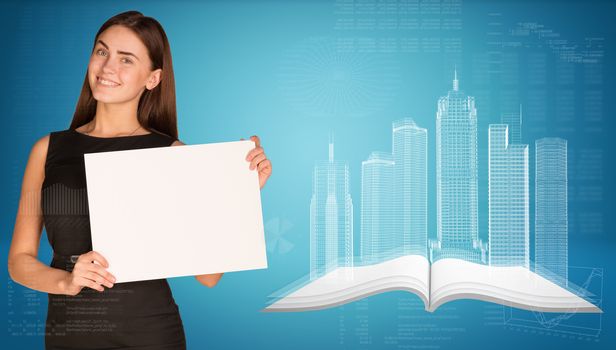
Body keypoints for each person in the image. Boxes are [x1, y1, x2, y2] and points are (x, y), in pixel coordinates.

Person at [7, 10, 272, 350]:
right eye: (102, 51)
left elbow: (208, 277)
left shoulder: (172, 154)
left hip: (150, 334)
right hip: (69, 336)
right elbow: (19, 261)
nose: (107, 68)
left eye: (126, 59)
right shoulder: (47, 150)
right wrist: (66, 282)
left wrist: (240, 194)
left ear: (153, 78)